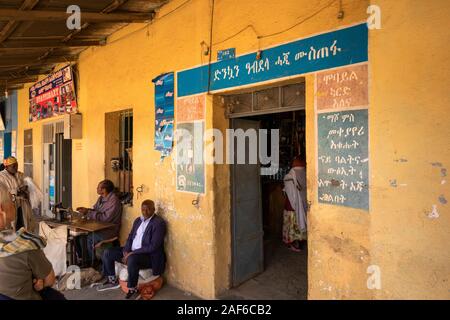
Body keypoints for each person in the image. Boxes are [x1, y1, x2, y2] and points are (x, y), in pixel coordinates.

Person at [0, 185, 65, 300]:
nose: (14, 202)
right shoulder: (24, 244)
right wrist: (38, 280)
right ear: (1, 209)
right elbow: (49, 280)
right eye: (12, 198)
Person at [97, 200, 166, 300]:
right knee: (108, 252)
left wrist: (132, 253)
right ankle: (112, 279)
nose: (145, 212)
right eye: (143, 209)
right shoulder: (138, 220)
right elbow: (130, 237)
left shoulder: (158, 223)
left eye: (148, 209)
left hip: (149, 256)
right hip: (132, 252)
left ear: (154, 209)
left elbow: (153, 246)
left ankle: (132, 288)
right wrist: (126, 251)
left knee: (132, 259)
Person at [76, 179, 123, 264]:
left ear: (103, 190)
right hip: (100, 227)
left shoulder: (114, 201)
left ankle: (92, 262)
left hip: (110, 230)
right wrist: (86, 210)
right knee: (79, 236)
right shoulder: (101, 198)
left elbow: (105, 218)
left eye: (98, 187)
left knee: (90, 238)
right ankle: (83, 259)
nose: (96, 189)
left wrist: (88, 212)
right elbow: (95, 211)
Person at [0, 157, 36, 232]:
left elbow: (26, 186)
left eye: (17, 165)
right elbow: (3, 193)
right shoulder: (1, 177)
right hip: (10, 206)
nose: (16, 168)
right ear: (6, 167)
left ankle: (23, 241)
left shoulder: (20, 175)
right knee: (11, 226)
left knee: (24, 225)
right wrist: (18, 191)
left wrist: (26, 189)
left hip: (22, 205)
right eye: (13, 166)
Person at [282, 157, 308, 252]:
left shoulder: (290, 175)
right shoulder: (304, 174)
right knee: (295, 221)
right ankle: (294, 242)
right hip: (299, 204)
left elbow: (288, 190)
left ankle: (294, 242)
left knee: (292, 223)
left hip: (291, 204)